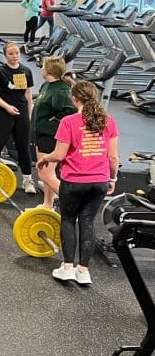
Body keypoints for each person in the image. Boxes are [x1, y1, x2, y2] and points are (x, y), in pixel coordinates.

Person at [37, 81, 119, 285]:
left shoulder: (69, 121)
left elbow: (59, 154)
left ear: (74, 99)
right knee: (88, 222)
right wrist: (112, 178)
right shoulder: (109, 120)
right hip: (99, 181)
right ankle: (83, 271)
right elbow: (113, 158)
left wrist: (45, 158)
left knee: (68, 220)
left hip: (74, 181)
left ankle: (67, 268)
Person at [0, 41, 35, 193]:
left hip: (21, 113)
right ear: (5, 55)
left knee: (23, 147)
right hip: (2, 113)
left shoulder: (26, 71)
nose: (14, 56)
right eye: (11, 54)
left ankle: (27, 181)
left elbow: (28, 95)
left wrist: (29, 114)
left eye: (16, 53)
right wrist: (7, 106)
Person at [31, 56, 77, 210]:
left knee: (46, 174)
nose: (41, 68)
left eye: (43, 66)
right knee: (46, 174)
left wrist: (54, 120)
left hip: (52, 136)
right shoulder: (46, 86)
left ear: (49, 69)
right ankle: (48, 204)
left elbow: (72, 111)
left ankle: (72, 206)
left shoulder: (62, 90)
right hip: (41, 134)